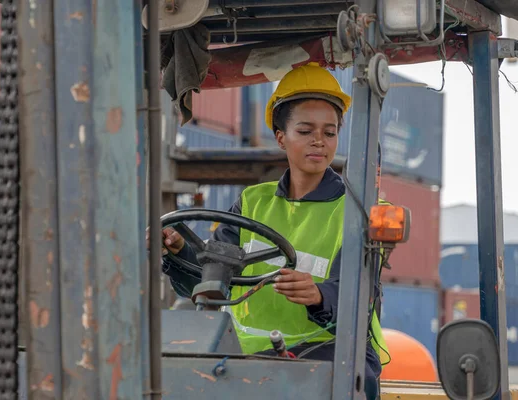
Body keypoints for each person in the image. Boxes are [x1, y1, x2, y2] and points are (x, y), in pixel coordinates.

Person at [153, 63, 388, 399]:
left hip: (333, 355)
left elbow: (362, 297)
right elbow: (209, 283)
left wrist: (320, 295)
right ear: (281, 137)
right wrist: (179, 252)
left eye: (330, 132)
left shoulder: (359, 209)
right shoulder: (253, 202)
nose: (319, 142)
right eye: (305, 131)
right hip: (246, 358)